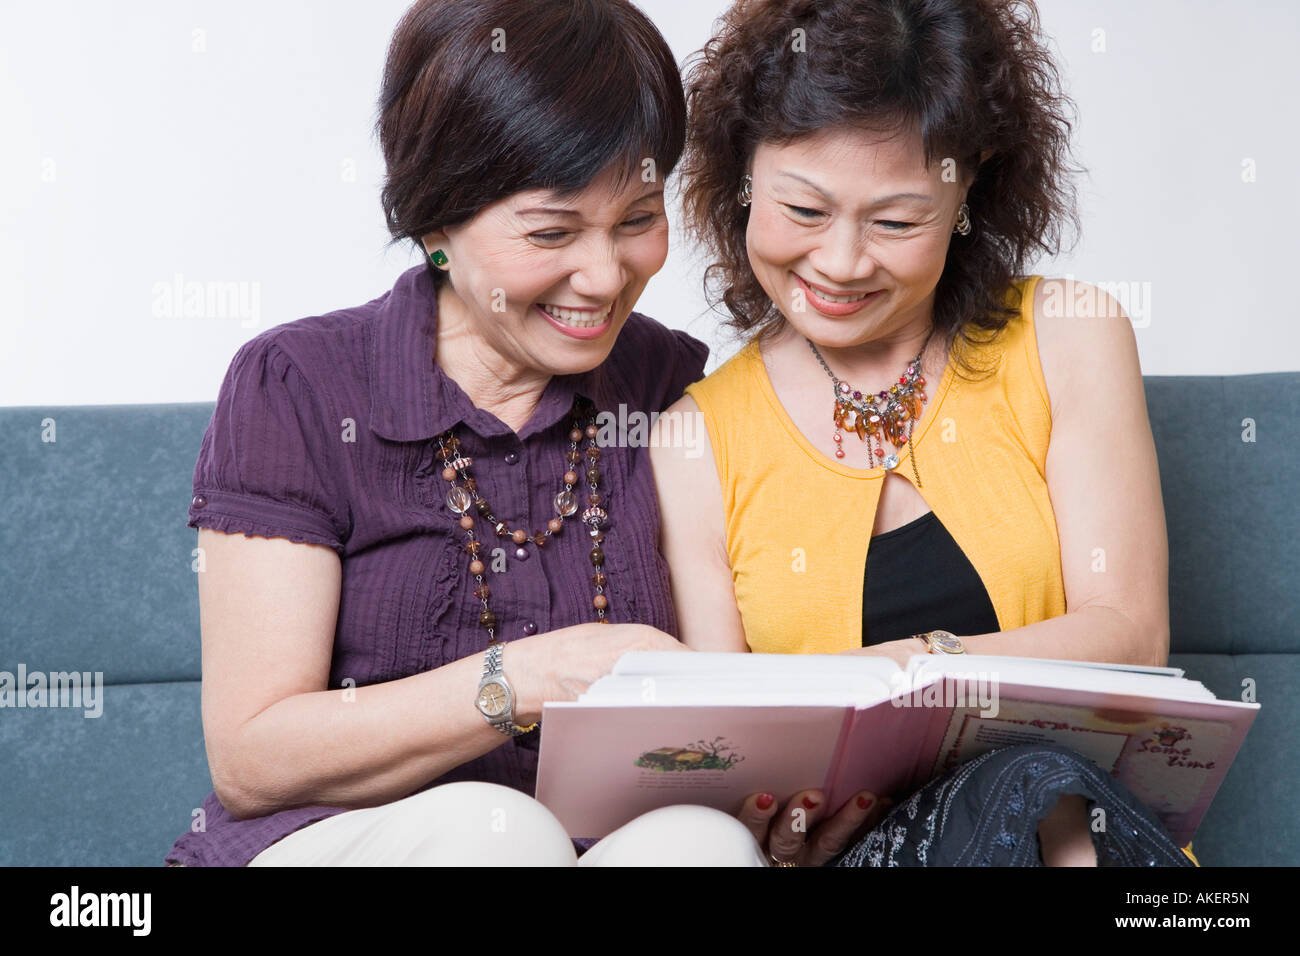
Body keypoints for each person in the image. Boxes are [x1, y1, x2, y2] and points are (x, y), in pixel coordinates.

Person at [165, 0, 775, 867]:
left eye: (638, 219)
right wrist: (521, 680)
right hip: (341, 839)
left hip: (597, 845)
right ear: (436, 221)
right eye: (552, 232)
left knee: (703, 841)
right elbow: (252, 759)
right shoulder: (298, 386)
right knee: (491, 835)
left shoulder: (667, 386)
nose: (605, 277)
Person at [650, 0, 1199, 866]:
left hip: (1076, 832)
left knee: (1040, 787)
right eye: (801, 211)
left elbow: (1129, 631)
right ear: (741, 179)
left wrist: (915, 666)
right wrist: (772, 822)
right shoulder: (693, 441)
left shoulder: (1066, 335)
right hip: (857, 854)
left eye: (897, 221)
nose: (840, 263)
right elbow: (733, 746)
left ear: (970, 192)